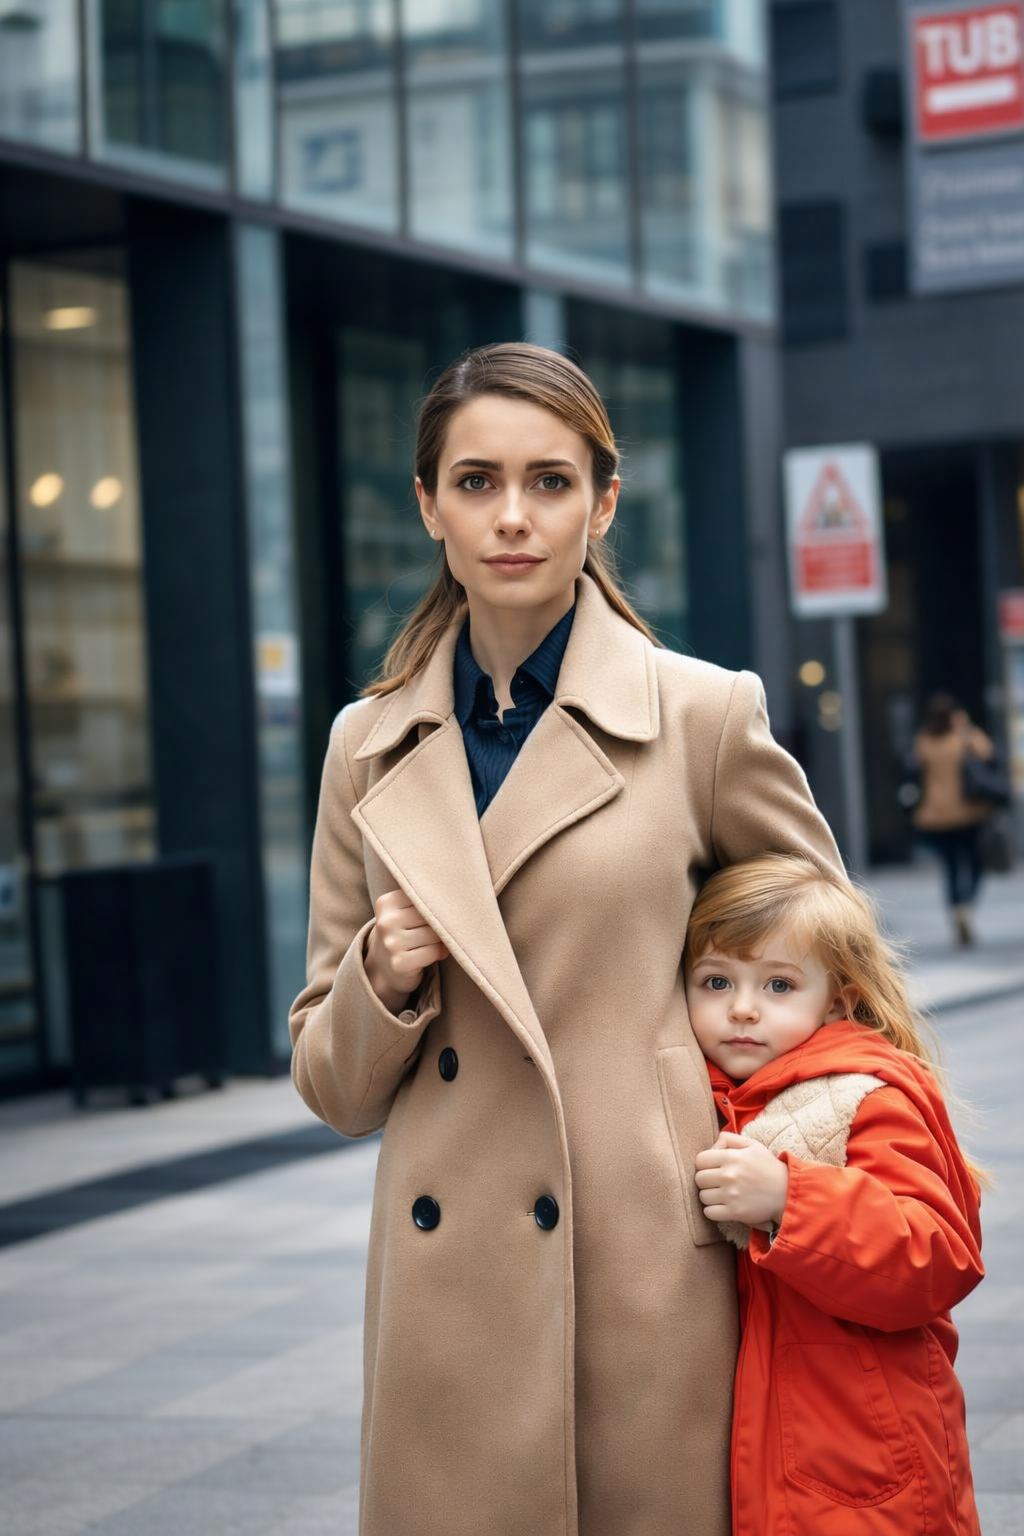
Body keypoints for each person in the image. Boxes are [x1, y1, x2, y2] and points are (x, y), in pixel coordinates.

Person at [289, 342, 843, 1536]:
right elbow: (331, 1088)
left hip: (641, 1265)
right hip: (449, 1290)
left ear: (602, 503)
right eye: (477, 482)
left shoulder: (700, 714)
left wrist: (750, 1161)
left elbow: (835, 987)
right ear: (427, 503)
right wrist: (377, 982)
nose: (513, 518)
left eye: (549, 483)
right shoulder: (364, 744)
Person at [685, 853, 984, 1536]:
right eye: (716, 980)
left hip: (864, 1457)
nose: (742, 1007)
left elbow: (935, 1254)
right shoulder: (700, 1091)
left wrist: (793, 1199)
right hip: (773, 1447)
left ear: (838, 1001)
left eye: (779, 984)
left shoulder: (862, 1095)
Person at [911, 692, 996, 948]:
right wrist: (964, 726)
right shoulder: (962, 737)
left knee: (950, 868)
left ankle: (957, 911)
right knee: (977, 864)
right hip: (967, 812)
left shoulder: (924, 741)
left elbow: (914, 768)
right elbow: (988, 752)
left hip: (935, 815)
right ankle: (965, 905)